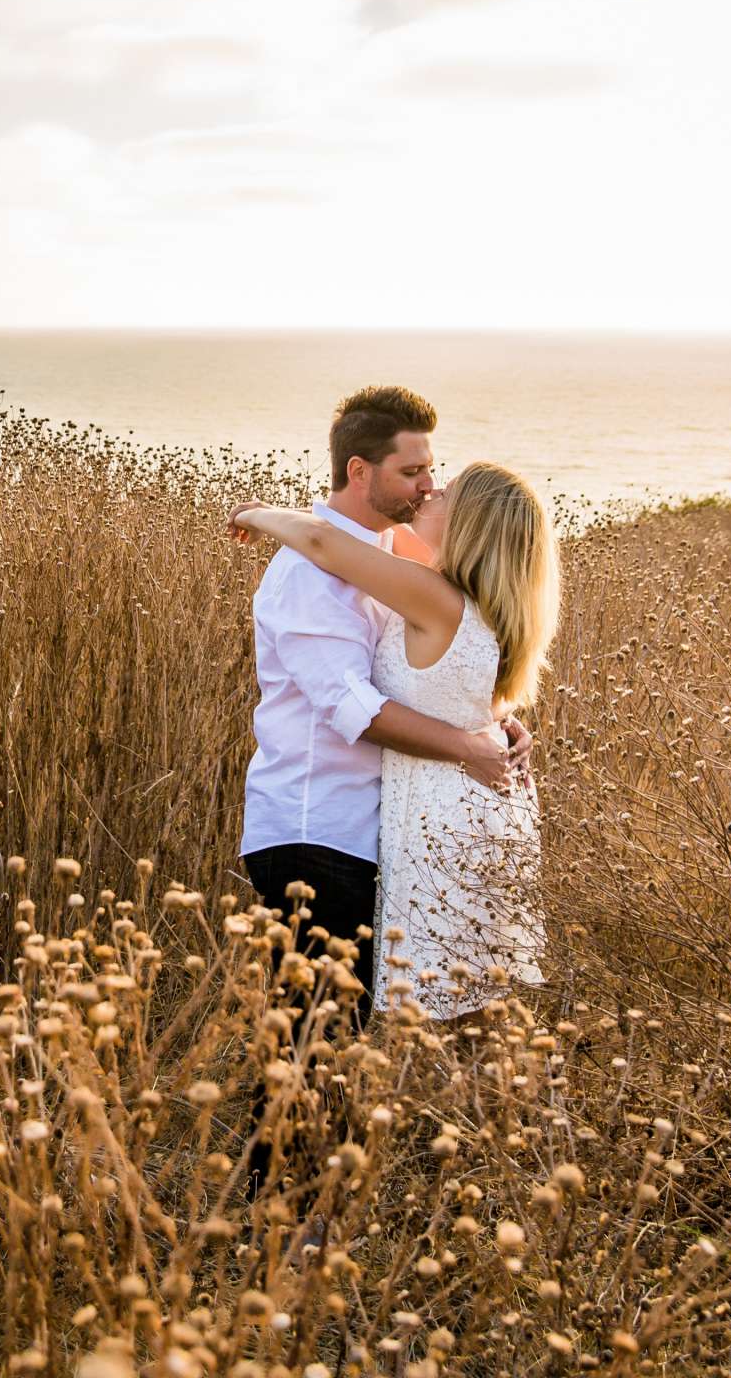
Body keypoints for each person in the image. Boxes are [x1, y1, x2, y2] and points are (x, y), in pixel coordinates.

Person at [229, 411, 560, 1023]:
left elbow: (329, 542)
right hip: (319, 825)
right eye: (415, 471)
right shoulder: (379, 571)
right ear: (361, 471)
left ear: (472, 527)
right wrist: (490, 731)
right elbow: (360, 703)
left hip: (417, 821)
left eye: (436, 477)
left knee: (385, 1028)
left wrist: (255, 512)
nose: (428, 486)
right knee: (335, 1035)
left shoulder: (416, 581)